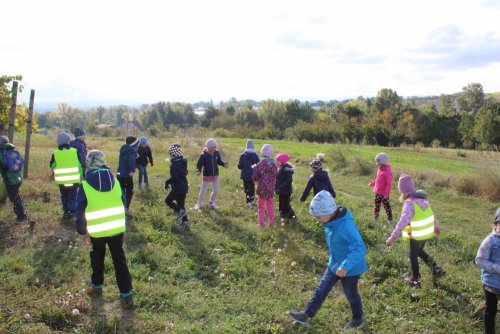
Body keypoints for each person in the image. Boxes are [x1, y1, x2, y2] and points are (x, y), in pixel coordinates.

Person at [288, 190, 368, 329]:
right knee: (321, 289)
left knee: (351, 294)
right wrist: (336, 262)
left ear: (328, 212)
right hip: (334, 263)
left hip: (351, 268)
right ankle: (306, 316)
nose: (316, 220)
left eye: (318, 217)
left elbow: (359, 248)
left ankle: (357, 320)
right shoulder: (329, 221)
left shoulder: (346, 226)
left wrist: (345, 266)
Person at [75, 150, 133, 307]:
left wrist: (82, 231)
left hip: (97, 230)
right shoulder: (115, 181)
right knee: (119, 258)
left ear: (88, 164)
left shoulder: (85, 185)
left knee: (97, 257)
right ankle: (126, 292)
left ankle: (97, 285)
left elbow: (80, 211)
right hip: (116, 228)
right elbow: (123, 199)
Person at [386, 174, 445, 286]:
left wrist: (392, 237)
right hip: (427, 232)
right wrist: (436, 226)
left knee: (413, 254)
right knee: (419, 251)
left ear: (402, 191)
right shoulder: (422, 200)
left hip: (417, 234)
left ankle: (415, 278)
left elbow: (403, 221)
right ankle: (436, 268)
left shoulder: (409, 203)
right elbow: (432, 215)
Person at [475, 207, 500, 334]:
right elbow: (479, 260)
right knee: (491, 309)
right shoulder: (490, 241)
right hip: (491, 284)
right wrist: (497, 268)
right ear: (495, 224)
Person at [50, 132, 84, 221]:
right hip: (74, 180)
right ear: (69, 141)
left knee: (64, 196)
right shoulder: (74, 151)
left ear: (58, 142)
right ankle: (73, 212)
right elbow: (81, 164)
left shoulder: (55, 153)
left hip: (61, 181)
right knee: (72, 196)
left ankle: (66, 212)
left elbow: (52, 165)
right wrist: (81, 175)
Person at [0, 135, 28, 222]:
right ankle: (21, 213)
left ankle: (21, 216)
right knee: (15, 195)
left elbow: (3, 165)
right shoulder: (14, 152)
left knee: (14, 197)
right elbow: (22, 162)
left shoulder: (2, 153)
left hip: (10, 179)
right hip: (19, 177)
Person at [194, 138, 227, 210]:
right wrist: (198, 170)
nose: (214, 149)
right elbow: (199, 165)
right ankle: (198, 203)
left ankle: (211, 202)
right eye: (212, 147)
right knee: (203, 190)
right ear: (208, 147)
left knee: (216, 190)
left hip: (215, 174)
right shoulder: (203, 155)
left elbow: (219, 161)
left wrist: (223, 164)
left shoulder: (216, 153)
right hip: (207, 175)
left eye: (215, 147)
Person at [252, 144, 278, 228]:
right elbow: (276, 175)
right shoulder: (274, 164)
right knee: (270, 206)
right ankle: (271, 223)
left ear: (262, 153)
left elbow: (254, 176)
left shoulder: (260, 164)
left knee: (261, 207)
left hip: (262, 189)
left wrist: (256, 178)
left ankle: (261, 224)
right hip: (271, 189)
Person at [164, 144, 189, 230]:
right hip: (184, 187)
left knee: (168, 200)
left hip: (177, 188)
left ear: (172, 154)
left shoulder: (173, 165)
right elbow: (186, 172)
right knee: (181, 204)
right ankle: (185, 222)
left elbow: (174, 178)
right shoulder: (183, 161)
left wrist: (167, 182)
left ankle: (179, 211)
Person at [117, 136, 139, 217]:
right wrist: (132, 170)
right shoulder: (132, 151)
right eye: (137, 144)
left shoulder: (123, 149)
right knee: (130, 191)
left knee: (121, 191)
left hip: (119, 174)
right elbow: (131, 160)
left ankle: (120, 207)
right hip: (127, 175)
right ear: (134, 144)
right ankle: (125, 208)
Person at [368, 152, 393, 225]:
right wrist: (373, 183)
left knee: (387, 207)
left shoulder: (387, 172)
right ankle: (375, 218)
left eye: (378, 162)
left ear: (382, 162)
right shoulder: (380, 169)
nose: (377, 164)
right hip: (378, 193)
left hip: (384, 194)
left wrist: (386, 194)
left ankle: (390, 220)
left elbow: (389, 184)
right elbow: (378, 180)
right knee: (377, 206)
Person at [237, 139, 260, 208]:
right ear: (253, 147)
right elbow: (258, 165)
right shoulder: (255, 155)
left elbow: (240, 166)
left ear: (246, 146)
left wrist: (238, 164)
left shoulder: (242, 155)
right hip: (253, 175)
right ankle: (252, 199)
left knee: (246, 188)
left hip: (245, 175)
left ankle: (248, 201)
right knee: (252, 187)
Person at [275, 152, 296, 224]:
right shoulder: (281, 167)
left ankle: (292, 216)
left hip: (286, 191)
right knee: (281, 202)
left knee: (286, 203)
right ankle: (282, 214)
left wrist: (281, 186)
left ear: (282, 161)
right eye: (276, 160)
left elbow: (289, 180)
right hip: (281, 190)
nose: (276, 162)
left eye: (278, 161)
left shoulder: (286, 169)